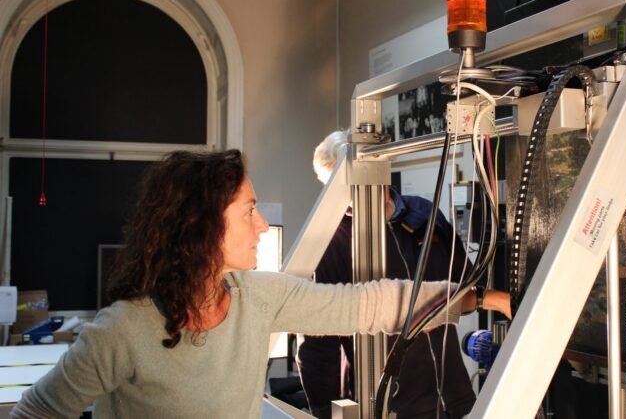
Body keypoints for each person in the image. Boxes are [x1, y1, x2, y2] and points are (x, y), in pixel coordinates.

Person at [11, 149, 510, 419]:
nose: (263, 227)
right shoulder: (120, 333)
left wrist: (484, 298)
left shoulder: (260, 297)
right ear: (201, 226)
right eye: (249, 211)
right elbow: (37, 412)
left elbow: (375, 304)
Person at [300, 131, 484, 419]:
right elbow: (317, 346)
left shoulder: (424, 214)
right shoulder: (330, 243)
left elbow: (467, 283)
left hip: (455, 398)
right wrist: (326, 412)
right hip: (391, 407)